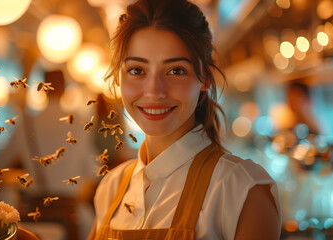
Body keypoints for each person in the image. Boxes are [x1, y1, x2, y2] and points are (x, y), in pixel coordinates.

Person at [89, 0, 281, 239]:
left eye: (176, 70)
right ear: (118, 78)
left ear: (205, 78)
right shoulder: (111, 188)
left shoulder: (242, 189)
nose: (153, 91)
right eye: (137, 70)